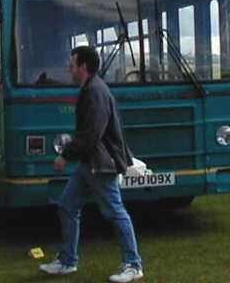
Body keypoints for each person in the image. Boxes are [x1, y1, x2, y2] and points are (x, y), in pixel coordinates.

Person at [40, 46, 143, 282]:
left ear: (83, 67)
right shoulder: (90, 89)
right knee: (67, 205)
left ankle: (133, 264)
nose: (69, 68)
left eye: (72, 63)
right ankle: (67, 261)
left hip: (100, 163)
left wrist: (65, 155)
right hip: (90, 163)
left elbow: (91, 134)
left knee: (115, 212)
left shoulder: (95, 92)